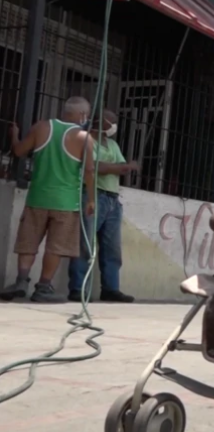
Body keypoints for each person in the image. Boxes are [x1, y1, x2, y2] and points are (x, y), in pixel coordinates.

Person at [1, 97, 95, 303]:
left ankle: (21, 281)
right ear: (82, 116)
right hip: (66, 202)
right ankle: (43, 288)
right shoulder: (84, 138)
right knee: (56, 246)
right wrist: (91, 200)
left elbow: (18, 151)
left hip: (37, 198)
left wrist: (15, 136)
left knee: (29, 241)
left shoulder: (42, 127)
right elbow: (89, 170)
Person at [68, 109, 138, 303]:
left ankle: (110, 288)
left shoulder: (112, 144)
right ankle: (78, 288)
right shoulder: (87, 141)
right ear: (101, 122)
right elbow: (98, 167)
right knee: (85, 244)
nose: (114, 126)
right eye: (112, 122)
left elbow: (119, 167)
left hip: (112, 199)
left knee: (112, 248)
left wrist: (116, 168)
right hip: (93, 195)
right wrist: (119, 167)